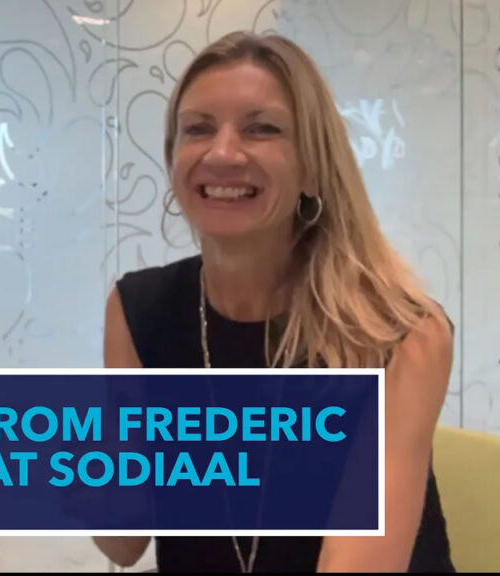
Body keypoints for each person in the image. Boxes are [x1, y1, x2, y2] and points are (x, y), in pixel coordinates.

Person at [95, 31, 455, 572]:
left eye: (262, 129)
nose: (221, 152)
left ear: (313, 166)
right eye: (198, 129)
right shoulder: (138, 310)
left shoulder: (400, 331)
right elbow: (122, 543)